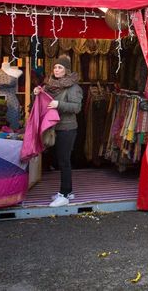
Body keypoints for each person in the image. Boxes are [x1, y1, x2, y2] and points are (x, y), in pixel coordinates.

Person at [33, 55, 83, 206]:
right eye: (55, 67)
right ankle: (68, 191)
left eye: (60, 67)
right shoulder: (49, 85)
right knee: (59, 159)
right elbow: (44, 99)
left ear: (66, 70)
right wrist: (36, 92)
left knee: (64, 161)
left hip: (67, 128)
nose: (56, 70)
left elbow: (76, 107)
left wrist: (58, 104)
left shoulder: (74, 87)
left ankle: (65, 195)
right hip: (53, 127)